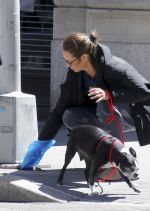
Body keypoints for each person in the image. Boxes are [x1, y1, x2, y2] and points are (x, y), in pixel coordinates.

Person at [21, 31, 150, 169]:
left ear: (83, 57)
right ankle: (97, 159)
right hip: (104, 115)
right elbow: (60, 109)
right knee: (70, 116)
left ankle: (117, 163)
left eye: (69, 61)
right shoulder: (75, 74)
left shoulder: (113, 66)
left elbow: (144, 92)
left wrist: (109, 94)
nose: (67, 65)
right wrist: (41, 144)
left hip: (134, 114)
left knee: (102, 100)